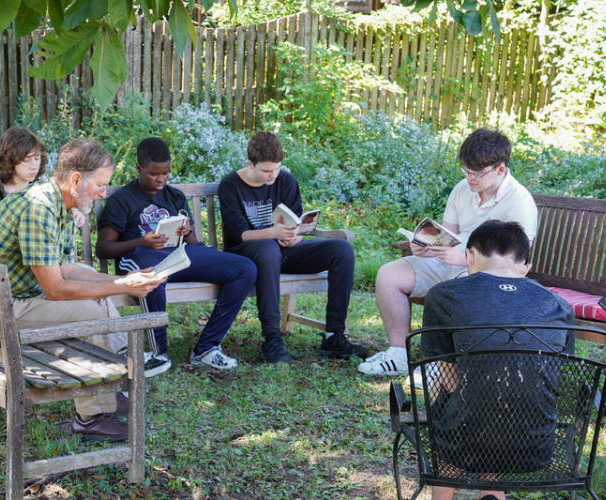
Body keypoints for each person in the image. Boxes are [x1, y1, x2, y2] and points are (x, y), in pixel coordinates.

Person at [0, 138, 165, 442]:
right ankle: (91, 416)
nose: (104, 194)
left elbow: (68, 269)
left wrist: (126, 279)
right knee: (91, 313)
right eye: (101, 185)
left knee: (97, 290)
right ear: (76, 179)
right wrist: (122, 284)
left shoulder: (61, 203)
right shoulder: (38, 208)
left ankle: (110, 384)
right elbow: (55, 289)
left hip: (9, 296)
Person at [360, 128, 538, 376]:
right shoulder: (462, 189)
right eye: (466, 170)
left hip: (489, 275)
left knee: (456, 291)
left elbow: (515, 262)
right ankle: (399, 354)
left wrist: (468, 259)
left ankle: (443, 366)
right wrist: (425, 245)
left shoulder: (519, 201)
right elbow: (448, 234)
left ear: (500, 169)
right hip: (452, 261)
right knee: (389, 274)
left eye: (477, 173)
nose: (470, 178)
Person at [419, 220, 575, 500]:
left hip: (464, 441)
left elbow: (449, 381)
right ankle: (491, 495)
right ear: (525, 265)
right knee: (497, 406)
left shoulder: (443, 296)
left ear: (469, 256)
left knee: (448, 403)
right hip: (535, 443)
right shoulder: (560, 306)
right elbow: (557, 378)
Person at [96, 138, 257, 376]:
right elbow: (103, 248)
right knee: (152, 273)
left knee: (245, 268)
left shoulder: (174, 196)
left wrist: (187, 231)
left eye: (166, 173)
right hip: (140, 258)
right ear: (139, 169)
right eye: (154, 174)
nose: (161, 179)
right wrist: (141, 241)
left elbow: (191, 244)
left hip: (178, 257)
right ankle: (159, 353)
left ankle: (207, 347)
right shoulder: (122, 200)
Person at [218, 131, 367, 363]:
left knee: (342, 250)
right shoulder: (230, 185)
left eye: (276, 168)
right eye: (266, 170)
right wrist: (273, 234)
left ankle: (334, 335)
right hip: (247, 256)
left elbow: (294, 224)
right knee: (268, 249)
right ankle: (272, 339)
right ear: (250, 164)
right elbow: (239, 235)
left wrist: (293, 236)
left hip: (282, 251)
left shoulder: (286, 180)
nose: (272, 175)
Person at [0, 126, 84, 244]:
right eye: (26, 160)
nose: (33, 165)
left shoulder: (39, 189)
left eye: (36, 158)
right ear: (10, 160)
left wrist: (69, 212)